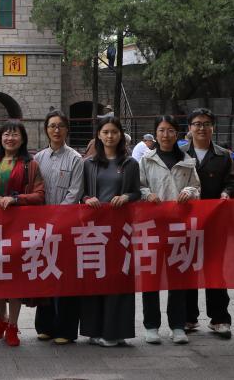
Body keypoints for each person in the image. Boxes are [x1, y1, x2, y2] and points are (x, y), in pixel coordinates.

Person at [139, 115, 200, 345]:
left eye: (170, 130)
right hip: (152, 225)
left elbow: (196, 187)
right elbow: (139, 185)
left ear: (177, 133)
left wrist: (189, 192)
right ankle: (151, 325)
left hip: (178, 226)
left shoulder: (187, 160)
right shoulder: (146, 160)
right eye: (161, 130)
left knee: (178, 277)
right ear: (155, 133)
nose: (166, 135)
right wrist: (147, 194)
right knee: (151, 277)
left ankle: (177, 325)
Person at [80, 114, 140, 347]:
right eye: (105, 132)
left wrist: (126, 196)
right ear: (98, 135)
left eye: (114, 132)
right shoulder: (89, 164)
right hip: (95, 231)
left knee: (119, 279)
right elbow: (82, 193)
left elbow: (136, 192)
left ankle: (116, 331)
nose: (110, 136)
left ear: (121, 135)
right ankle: (94, 330)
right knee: (95, 278)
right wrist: (87, 199)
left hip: (120, 230)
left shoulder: (130, 164)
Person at [0, 120, 44, 347]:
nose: (10, 138)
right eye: (6, 134)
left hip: (18, 227)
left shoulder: (31, 164)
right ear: (0, 138)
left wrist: (16, 199)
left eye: (15, 134)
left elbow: (40, 195)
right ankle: (1, 319)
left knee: (14, 277)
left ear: (22, 138)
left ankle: (13, 324)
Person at [180, 108, 234, 338]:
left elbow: (232, 181)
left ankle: (219, 318)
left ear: (213, 127)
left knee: (215, 269)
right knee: (187, 266)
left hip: (214, 221)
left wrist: (226, 193)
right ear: (189, 128)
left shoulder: (224, 155)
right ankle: (188, 317)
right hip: (186, 221)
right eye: (197, 124)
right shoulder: (180, 153)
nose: (201, 128)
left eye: (206, 124)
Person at [32, 109, 85, 344]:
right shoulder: (38, 158)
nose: (56, 130)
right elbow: (35, 190)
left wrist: (56, 219)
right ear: (46, 130)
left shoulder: (75, 159)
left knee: (65, 276)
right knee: (45, 273)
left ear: (67, 130)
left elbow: (75, 193)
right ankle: (45, 326)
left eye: (60, 126)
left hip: (66, 226)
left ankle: (65, 329)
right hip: (42, 227)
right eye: (52, 126)